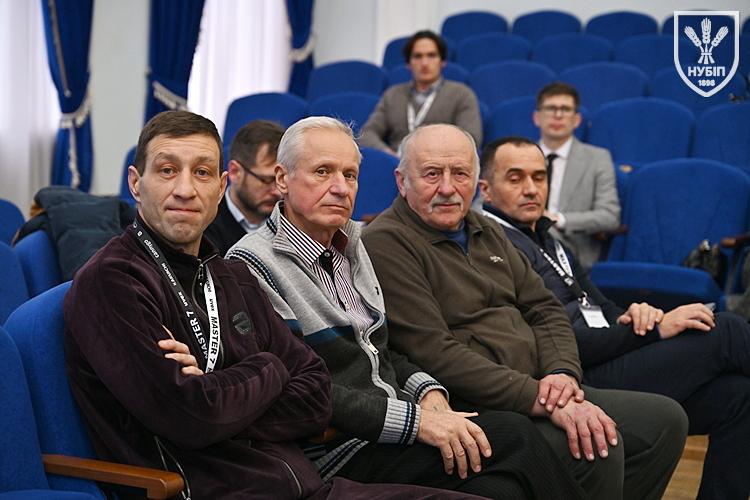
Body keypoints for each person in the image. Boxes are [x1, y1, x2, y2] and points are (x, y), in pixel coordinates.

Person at [63, 110, 486, 500]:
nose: (185, 189)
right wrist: (270, 367)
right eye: (168, 170)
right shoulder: (113, 281)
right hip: (214, 490)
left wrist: (220, 384)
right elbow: (190, 418)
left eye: (202, 172)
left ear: (221, 187)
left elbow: (314, 394)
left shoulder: (227, 274)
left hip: (299, 484)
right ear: (136, 183)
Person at [228, 116, 585, 499]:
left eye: (350, 175)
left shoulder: (351, 245)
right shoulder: (251, 266)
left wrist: (428, 392)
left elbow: (379, 353)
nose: (340, 187)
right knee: (515, 433)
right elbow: (302, 390)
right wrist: (418, 422)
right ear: (282, 179)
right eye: (322, 172)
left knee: (501, 489)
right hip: (330, 449)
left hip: (388, 425)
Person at [362, 123, 689, 500]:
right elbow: (435, 351)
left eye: (460, 174)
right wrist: (539, 399)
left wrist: (562, 374)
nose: (448, 188)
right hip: (477, 402)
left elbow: (545, 309)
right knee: (597, 446)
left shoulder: (484, 228)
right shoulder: (387, 242)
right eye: (432, 174)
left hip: (542, 384)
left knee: (664, 422)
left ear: (476, 182)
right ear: (402, 181)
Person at [479, 136, 750, 500]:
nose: (531, 189)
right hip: (576, 375)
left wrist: (636, 316)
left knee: (739, 397)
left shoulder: (548, 239)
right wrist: (654, 332)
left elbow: (602, 306)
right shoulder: (495, 246)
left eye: (539, 177)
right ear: (486, 189)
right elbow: (551, 343)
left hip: (612, 353)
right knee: (727, 330)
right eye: (516, 178)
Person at [533, 82, 620, 269]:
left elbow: (609, 216)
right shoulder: (517, 156)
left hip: (571, 252)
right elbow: (482, 204)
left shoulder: (597, 158)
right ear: (537, 117)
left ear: (577, 120)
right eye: (551, 108)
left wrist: (558, 219)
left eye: (565, 109)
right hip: (519, 245)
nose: (558, 115)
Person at [359, 30, 482, 155]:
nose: (424, 63)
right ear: (408, 64)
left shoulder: (462, 94)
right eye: (418, 56)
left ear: (443, 62)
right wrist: (388, 154)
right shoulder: (392, 95)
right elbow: (367, 134)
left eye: (431, 55)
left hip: (440, 161)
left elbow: (470, 138)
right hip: (397, 161)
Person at [205, 119, 284, 255]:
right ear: (235, 172)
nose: (277, 191)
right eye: (266, 180)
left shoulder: (293, 223)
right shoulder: (205, 225)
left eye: (282, 180)